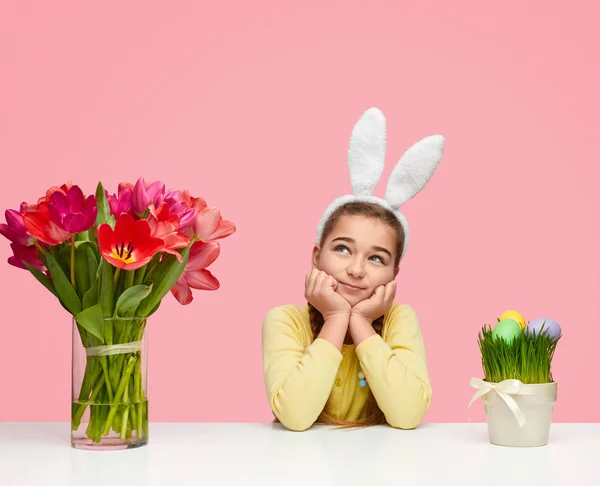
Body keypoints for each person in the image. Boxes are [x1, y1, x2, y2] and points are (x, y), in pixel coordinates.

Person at [262, 107, 445, 431]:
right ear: (317, 256)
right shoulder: (285, 321)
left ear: (393, 274)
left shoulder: (400, 319)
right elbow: (295, 417)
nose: (357, 270)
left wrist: (360, 321)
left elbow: (407, 416)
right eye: (343, 249)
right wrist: (334, 319)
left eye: (377, 258)